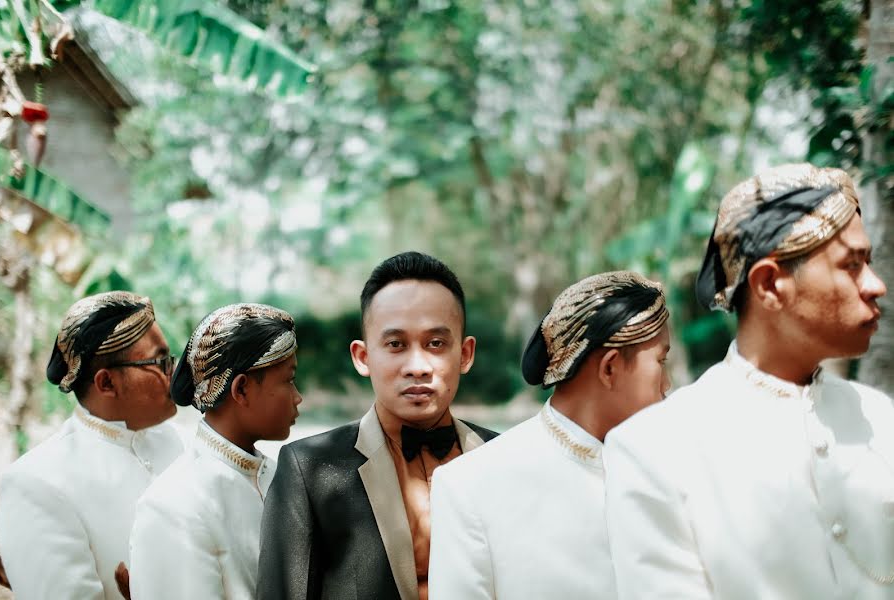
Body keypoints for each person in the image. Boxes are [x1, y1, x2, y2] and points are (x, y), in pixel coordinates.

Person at [604, 163, 891, 599]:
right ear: (771, 285)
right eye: (851, 266)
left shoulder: (881, 416)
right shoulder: (654, 448)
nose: (875, 286)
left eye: (868, 262)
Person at [258, 251, 497, 600]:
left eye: (435, 343)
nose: (418, 366)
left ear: (464, 354)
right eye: (396, 344)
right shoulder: (310, 471)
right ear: (363, 357)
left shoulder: (503, 459)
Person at [428, 271, 671, 599]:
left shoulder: (674, 473)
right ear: (610, 368)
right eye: (661, 361)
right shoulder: (469, 488)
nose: (667, 385)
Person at [0, 291, 183, 600]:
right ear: (106, 383)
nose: (173, 373)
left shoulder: (183, 443)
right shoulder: (36, 484)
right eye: (160, 362)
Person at [129, 303, 301, 599]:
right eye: (288, 379)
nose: (298, 397)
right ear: (242, 390)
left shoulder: (283, 478)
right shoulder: (174, 505)